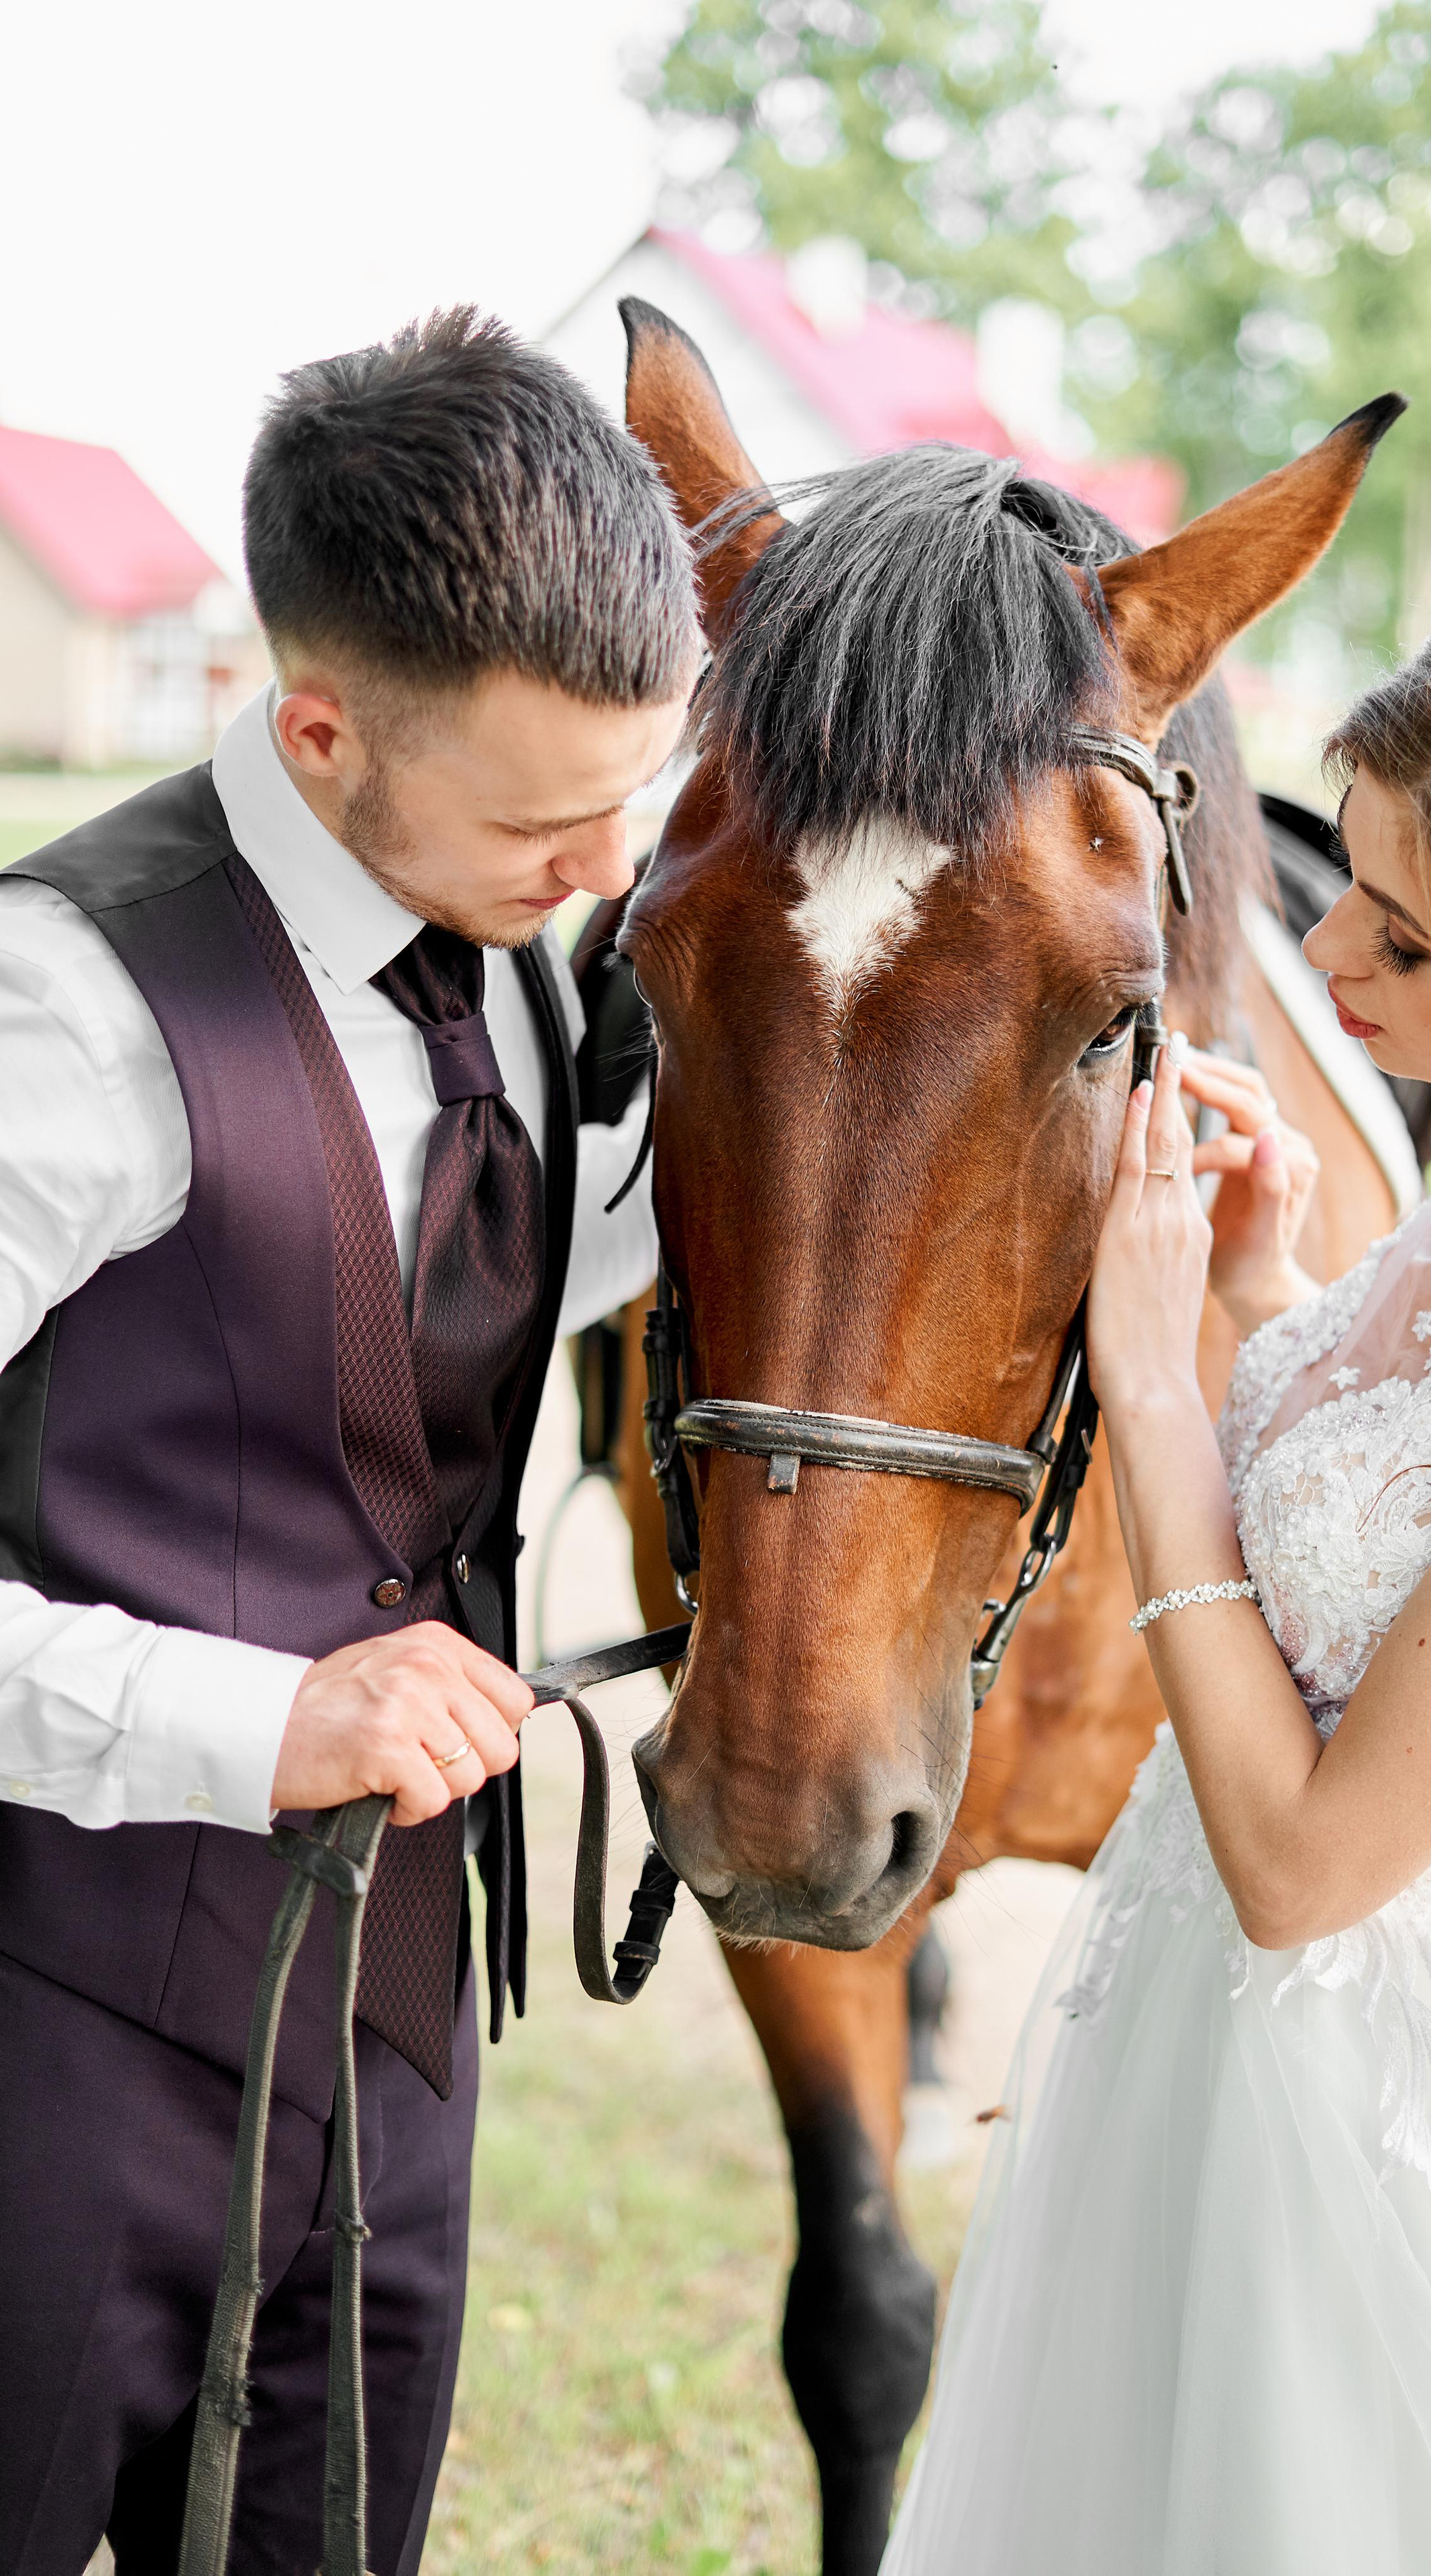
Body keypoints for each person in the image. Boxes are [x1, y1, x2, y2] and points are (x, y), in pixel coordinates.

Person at [882, 565, 1431, 2575]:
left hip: (1388, 2110)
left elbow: (1310, 1866)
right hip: (1191, 2033)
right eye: (1353, 874)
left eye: (1404, 938)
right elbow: (1419, 1534)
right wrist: (1280, 1299)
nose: (1322, 942)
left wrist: (1159, 1388)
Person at [0, 309, 697, 2574]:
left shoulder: (511, 943)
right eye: (543, 816)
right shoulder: (66, 1013)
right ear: (318, 727)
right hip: (55, 2015)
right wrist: (261, 1716)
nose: (601, 864)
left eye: (634, 792)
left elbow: (466, 1271)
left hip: (397, 2031)